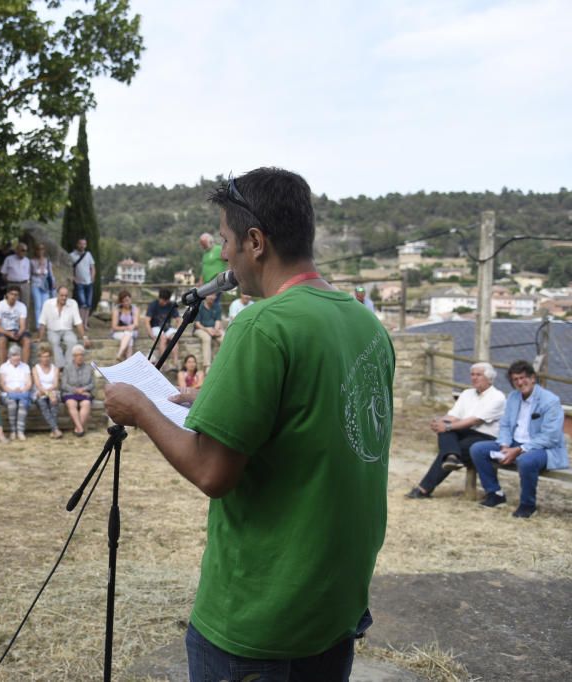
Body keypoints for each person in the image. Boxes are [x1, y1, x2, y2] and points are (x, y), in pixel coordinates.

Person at [104, 168, 394, 678]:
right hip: (333, 608)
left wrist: (141, 410)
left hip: (261, 620)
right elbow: (312, 421)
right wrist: (213, 402)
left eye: (225, 241)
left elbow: (214, 473)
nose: (222, 256)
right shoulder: (365, 323)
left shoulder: (262, 325)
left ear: (255, 242)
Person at [470, 360, 568, 518]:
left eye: (523, 378)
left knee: (525, 461)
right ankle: (495, 494)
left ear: (533, 378)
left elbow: (551, 436)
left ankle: (528, 505)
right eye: (515, 379)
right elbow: (506, 425)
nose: (520, 382)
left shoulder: (550, 400)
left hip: (544, 448)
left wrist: (520, 450)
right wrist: (504, 445)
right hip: (514, 444)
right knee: (478, 449)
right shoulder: (513, 397)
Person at [405, 363, 506, 499]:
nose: (474, 378)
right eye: (472, 374)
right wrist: (439, 421)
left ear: (489, 378)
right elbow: (453, 416)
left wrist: (447, 427)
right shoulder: (466, 393)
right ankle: (452, 457)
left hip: (485, 437)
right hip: (464, 431)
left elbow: (475, 421)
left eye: (478, 375)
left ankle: (424, 488)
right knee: (446, 431)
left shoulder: (497, 397)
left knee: (450, 445)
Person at [37, 286, 90, 369]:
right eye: (62, 295)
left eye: (66, 296)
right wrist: (39, 338)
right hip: (52, 330)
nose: (64, 298)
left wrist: (84, 337)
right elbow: (42, 321)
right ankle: (60, 366)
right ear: (57, 295)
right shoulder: (48, 303)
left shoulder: (73, 303)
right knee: (54, 341)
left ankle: (68, 366)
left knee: (73, 341)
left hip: (67, 330)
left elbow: (78, 322)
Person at [0, 344, 33, 441]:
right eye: (13, 355)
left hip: (22, 392)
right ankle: (13, 431)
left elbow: (29, 383)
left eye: (18, 355)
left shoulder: (25, 366)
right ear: (9, 356)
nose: (16, 357)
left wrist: (23, 389)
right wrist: (12, 390)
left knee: (23, 403)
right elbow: (2, 385)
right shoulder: (4, 367)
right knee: (12, 404)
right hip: (8, 393)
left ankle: (20, 431)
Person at [61, 344, 94, 437]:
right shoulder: (67, 368)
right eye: (77, 355)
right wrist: (75, 390)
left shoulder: (89, 368)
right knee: (72, 403)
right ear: (73, 357)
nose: (79, 357)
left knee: (86, 404)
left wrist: (83, 389)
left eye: (81, 355)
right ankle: (80, 428)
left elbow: (92, 384)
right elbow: (64, 385)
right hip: (70, 393)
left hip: (84, 393)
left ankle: (77, 429)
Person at [0, 285, 31, 364]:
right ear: (7, 294)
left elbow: (23, 326)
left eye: (16, 295)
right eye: (11, 294)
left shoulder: (22, 306)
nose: (13, 296)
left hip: (16, 330)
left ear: (18, 296)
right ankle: (4, 367)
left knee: (27, 341)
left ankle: (24, 367)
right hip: (3, 330)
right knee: (2, 341)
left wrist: (19, 333)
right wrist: (8, 333)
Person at [143, 288, 180, 369]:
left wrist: (177, 331)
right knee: (163, 338)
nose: (165, 303)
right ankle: (164, 363)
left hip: (167, 328)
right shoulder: (153, 305)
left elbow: (179, 320)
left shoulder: (171, 305)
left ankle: (175, 363)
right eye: (163, 301)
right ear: (159, 298)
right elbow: (147, 321)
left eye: (166, 301)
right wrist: (151, 334)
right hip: (155, 327)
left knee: (174, 338)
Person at [32, 343, 63, 439]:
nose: (46, 359)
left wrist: (50, 394)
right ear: (39, 357)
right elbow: (38, 385)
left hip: (52, 392)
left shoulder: (55, 368)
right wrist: (47, 393)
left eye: (47, 356)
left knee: (54, 401)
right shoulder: (35, 368)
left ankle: (54, 430)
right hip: (40, 392)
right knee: (43, 403)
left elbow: (55, 384)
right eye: (43, 357)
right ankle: (55, 429)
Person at [0, 242, 32, 327]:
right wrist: (9, 283)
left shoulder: (27, 260)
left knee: (25, 306)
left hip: (24, 284)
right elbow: (3, 273)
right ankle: (11, 325)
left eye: (25, 251)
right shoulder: (9, 259)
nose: (24, 252)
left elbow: (28, 273)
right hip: (12, 284)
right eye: (22, 250)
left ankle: (24, 327)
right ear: (17, 250)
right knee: (12, 305)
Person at [193, 292, 224, 370]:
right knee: (207, 338)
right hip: (200, 329)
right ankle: (207, 366)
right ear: (205, 296)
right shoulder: (199, 306)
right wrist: (207, 330)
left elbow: (218, 321)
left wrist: (216, 330)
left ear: (215, 296)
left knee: (224, 338)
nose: (211, 297)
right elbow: (197, 324)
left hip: (213, 329)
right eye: (209, 294)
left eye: (213, 295)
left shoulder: (217, 306)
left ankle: (223, 363)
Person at [69, 237, 95, 328]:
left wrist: (92, 278)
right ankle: (80, 323)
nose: (82, 246)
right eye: (81, 243)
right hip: (79, 282)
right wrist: (73, 278)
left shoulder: (88, 254)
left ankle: (85, 323)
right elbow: (70, 268)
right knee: (82, 304)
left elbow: (92, 267)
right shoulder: (72, 255)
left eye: (84, 244)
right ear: (77, 244)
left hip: (88, 282)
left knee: (88, 304)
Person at [30, 243, 55, 329]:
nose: (40, 251)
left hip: (45, 286)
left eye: (42, 249)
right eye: (38, 249)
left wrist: (53, 282)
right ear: (35, 250)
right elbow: (30, 273)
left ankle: (45, 324)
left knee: (45, 306)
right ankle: (38, 326)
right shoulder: (32, 261)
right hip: (35, 285)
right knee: (38, 305)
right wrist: (39, 265)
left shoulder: (47, 261)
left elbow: (50, 273)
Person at [110, 290, 139, 362]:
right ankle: (129, 361)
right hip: (118, 332)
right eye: (124, 301)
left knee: (129, 334)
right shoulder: (117, 310)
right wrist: (126, 328)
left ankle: (119, 354)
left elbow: (136, 324)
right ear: (121, 302)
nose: (126, 303)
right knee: (130, 338)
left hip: (132, 332)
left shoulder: (135, 309)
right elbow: (114, 327)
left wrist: (132, 327)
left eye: (127, 300)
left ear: (130, 299)